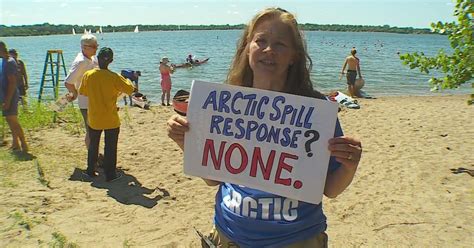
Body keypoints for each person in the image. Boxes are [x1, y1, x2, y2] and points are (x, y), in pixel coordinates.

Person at [167, 7, 362, 247]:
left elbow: (330, 189)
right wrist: (186, 143)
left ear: (294, 56)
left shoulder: (316, 112)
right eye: (261, 40)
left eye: (280, 44)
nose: (269, 49)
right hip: (228, 236)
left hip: (295, 240)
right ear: (247, 48)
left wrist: (349, 166)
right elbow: (213, 180)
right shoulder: (224, 105)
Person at [78, 47, 135, 181]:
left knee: (93, 145)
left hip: (94, 117)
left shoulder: (88, 75)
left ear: (97, 58)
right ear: (111, 61)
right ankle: (110, 175)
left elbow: (83, 92)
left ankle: (90, 171)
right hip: (110, 118)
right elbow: (130, 89)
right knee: (110, 147)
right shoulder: (114, 77)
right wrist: (128, 79)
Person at [65, 34, 99, 149]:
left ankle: (94, 154)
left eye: (96, 45)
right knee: (91, 130)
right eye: (94, 46)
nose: (96, 48)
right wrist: (74, 93)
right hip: (86, 102)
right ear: (84, 47)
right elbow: (68, 82)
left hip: (95, 100)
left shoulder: (93, 58)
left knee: (96, 129)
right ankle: (92, 157)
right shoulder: (81, 62)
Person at [0, 41, 28, 152]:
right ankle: (15, 143)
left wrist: (7, 100)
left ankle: (24, 144)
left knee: (13, 120)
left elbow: (12, 83)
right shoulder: (3, 61)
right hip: (4, 95)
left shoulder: (10, 62)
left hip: (10, 95)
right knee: (9, 120)